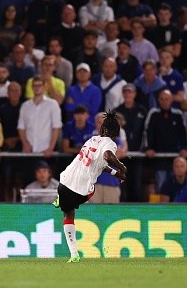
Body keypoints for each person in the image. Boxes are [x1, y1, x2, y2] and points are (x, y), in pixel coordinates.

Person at [53, 110, 127, 263]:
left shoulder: (92, 139)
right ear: (116, 132)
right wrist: (121, 167)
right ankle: (64, 201)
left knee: (68, 215)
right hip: (80, 191)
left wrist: (114, 173)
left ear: (102, 129)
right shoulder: (110, 144)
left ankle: (74, 254)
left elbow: (98, 164)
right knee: (90, 190)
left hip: (64, 183)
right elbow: (107, 156)